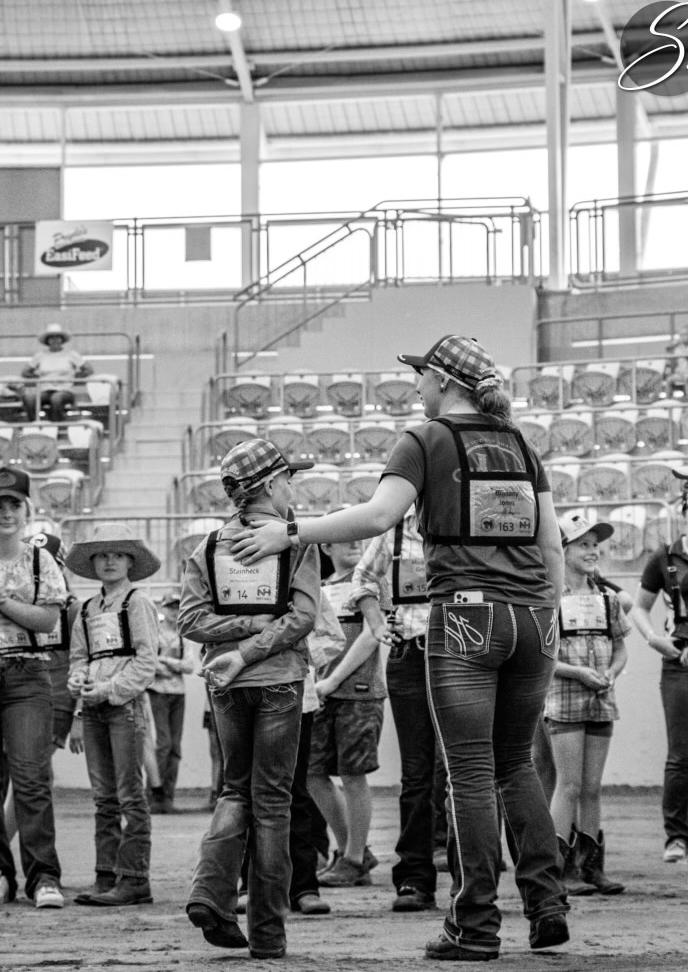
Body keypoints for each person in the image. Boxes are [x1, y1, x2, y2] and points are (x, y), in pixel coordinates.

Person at [229, 334, 570, 961]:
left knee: (469, 772)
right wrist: (546, 615)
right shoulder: (520, 443)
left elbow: (379, 516)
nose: (417, 384)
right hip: (534, 618)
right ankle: (547, 903)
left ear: (444, 381)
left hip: (466, 615)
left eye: (422, 375)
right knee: (516, 765)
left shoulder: (425, 438)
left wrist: (292, 532)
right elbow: (551, 544)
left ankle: (475, 925)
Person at [179, 439, 320, 961]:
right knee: (274, 804)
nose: (292, 488)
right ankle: (267, 934)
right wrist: (256, 637)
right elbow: (302, 617)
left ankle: (210, 891)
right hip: (279, 678)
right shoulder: (296, 542)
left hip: (225, 682)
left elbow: (190, 620)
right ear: (271, 484)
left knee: (235, 790)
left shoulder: (208, 546)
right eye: (288, 479)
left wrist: (237, 638)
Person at [346, 505, 438, 911]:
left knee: (463, 771)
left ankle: (472, 875)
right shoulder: (395, 532)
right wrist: (377, 623)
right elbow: (363, 578)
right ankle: (415, 878)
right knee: (417, 772)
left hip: (463, 654)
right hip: (411, 653)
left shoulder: (464, 524)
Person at [66, 522, 160, 907]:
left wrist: (108, 688)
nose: (109, 561)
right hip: (94, 708)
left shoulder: (137, 602)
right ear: (92, 563)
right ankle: (106, 874)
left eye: (117, 555)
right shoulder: (87, 608)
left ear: (129, 562)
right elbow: (79, 656)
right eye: (102, 555)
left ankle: (134, 877)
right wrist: (78, 680)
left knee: (129, 794)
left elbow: (146, 661)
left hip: (125, 706)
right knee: (104, 796)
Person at [545, 512, 628, 896]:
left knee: (592, 787)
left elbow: (621, 648)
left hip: (600, 699)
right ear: (562, 549)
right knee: (570, 785)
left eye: (595, 545)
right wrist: (578, 673)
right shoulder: (549, 598)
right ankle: (556, 870)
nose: (592, 551)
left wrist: (611, 672)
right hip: (563, 700)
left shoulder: (607, 599)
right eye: (583, 545)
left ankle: (592, 867)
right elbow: (543, 657)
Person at [0, 468, 67, 910]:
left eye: (13, 504)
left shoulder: (41, 560)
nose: (6, 513)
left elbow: (48, 620)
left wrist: (4, 602)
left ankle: (43, 876)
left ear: (27, 510)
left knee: (31, 778)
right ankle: (2, 875)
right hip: (22, 672)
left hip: (27, 671)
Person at [309, 539, 383, 890]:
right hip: (323, 691)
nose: (354, 542)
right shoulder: (320, 588)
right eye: (345, 537)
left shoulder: (368, 582)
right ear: (326, 547)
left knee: (353, 774)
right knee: (312, 773)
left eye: (357, 536)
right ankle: (352, 853)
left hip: (359, 691)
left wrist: (332, 680)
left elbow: (373, 635)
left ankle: (353, 858)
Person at [2, 532, 82, 843]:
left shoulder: (72, 609)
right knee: (31, 775)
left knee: (29, 777)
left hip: (56, 699)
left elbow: (84, 661)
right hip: (20, 690)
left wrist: (79, 714)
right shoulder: (18, 602)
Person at [632, 468, 688, 865]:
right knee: (680, 753)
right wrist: (653, 639)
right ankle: (677, 837)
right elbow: (639, 607)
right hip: (678, 662)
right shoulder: (664, 558)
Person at [147, 588, 194, 814]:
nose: (174, 612)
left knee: (175, 746)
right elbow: (148, 661)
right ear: (163, 608)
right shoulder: (154, 632)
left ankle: (168, 796)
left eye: (178, 607)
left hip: (178, 694)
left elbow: (189, 666)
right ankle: (153, 795)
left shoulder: (183, 635)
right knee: (163, 744)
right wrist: (169, 666)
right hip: (157, 692)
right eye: (170, 607)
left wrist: (166, 662)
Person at [21, 322, 93, 422]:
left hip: (65, 390)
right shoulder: (40, 355)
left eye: (57, 337)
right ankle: (35, 423)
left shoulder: (71, 354)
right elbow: (25, 372)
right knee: (29, 398)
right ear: (47, 340)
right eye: (51, 338)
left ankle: (57, 425)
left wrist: (74, 377)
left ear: (62, 340)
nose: (55, 340)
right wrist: (39, 378)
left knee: (56, 398)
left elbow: (88, 369)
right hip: (45, 390)